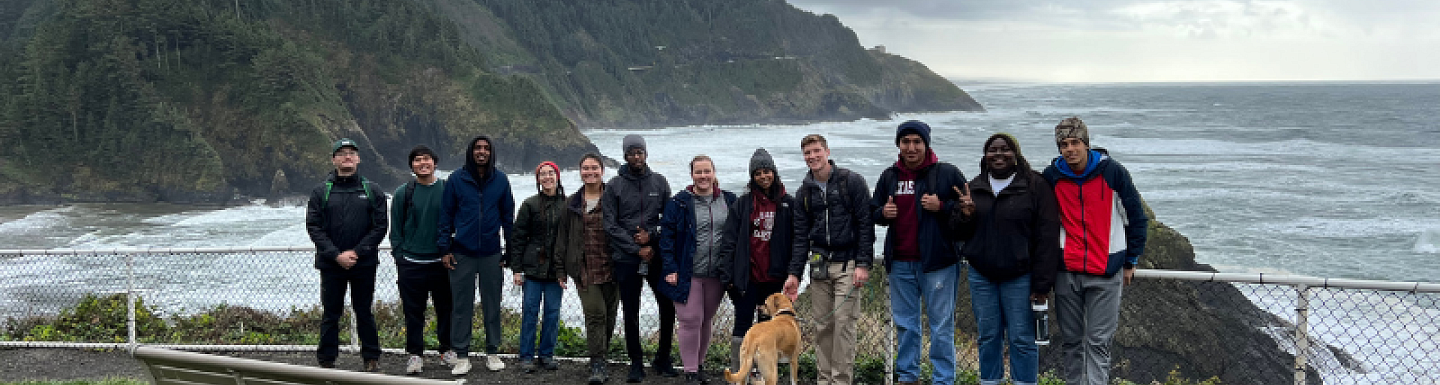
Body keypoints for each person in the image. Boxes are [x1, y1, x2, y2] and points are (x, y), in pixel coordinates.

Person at [1040, 117, 1148, 385]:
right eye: (1064, 144)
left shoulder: (1113, 172)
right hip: (1067, 272)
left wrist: (1131, 259)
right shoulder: (1051, 176)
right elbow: (1039, 221)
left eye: (1075, 142)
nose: (1070, 149)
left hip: (1107, 270)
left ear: (1086, 144)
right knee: (1072, 343)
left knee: (1099, 343)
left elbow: (1136, 216)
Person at [951, 134, 1061, 385]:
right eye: (992, 150)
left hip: (1020, 276)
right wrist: (965, 215)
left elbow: (1047, 236)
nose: (998, 154)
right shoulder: (975, 187)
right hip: (982, 276)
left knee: (1022, 338)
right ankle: (989, 381)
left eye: (1005, 149)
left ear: (1016, 154)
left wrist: (1042, 284)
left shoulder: (1035, 186)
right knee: (988, 337)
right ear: (985, 155)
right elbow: (957, 234)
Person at [870, 121, 967, 385]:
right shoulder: (889, 177)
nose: (911, 148)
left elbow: (968, 214)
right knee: (906, 326)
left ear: (926, 144)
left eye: (917, 142)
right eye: (906, 142)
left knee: (941, 327)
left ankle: (943, 380)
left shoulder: (947, 174)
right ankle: (908, 377)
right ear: (898, 145)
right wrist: (882, 214)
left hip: (938, 264)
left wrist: (943, 206)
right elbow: (873, 210)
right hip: (900, 263)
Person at [784, 134, 874, 385]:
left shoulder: (851, 182)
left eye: (816, 151)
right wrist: (794, 274)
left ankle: (841, 381)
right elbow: (801, 237)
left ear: (827, 151)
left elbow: (865, 224)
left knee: (843, 326)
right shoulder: (804, 192)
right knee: (822, 327)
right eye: (807, 153)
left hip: (848, 264)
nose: (812, 156)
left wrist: (863, 264)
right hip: (819, 267)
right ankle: (824, 380)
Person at [602, 134, 679, 382]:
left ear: (646, 154)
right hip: (627, 258)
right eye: (632, 152)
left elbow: (669, 219)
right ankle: (635, 362)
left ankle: (663, 358)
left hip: (656, 256)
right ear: (625, 156)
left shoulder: (659, 182)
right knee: (631, 311)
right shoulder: (614, 185)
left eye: (640, 152)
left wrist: (652, 236)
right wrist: (636, 248)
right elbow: (610, 226)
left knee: (667, 306)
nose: (636, 156)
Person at [305, 138, 387, 372]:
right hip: (331, 264)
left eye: (351, 153)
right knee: (331, 313)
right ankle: (326, 359)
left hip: (364, 263)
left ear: (358, 159)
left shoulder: (372, 191)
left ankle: (371, 357)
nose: (347, 157)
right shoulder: (321, 191)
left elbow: (380, 227)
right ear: (334, 160)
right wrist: (335, 254)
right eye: (341, 154)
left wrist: (357, 253)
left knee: (364, 311)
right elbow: (314, 227)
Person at [438, 135, 516, 375]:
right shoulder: (455, 180)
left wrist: (510, 250)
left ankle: (492, 352)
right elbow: (445, 216)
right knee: (461, 306)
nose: (482, 152)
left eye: (486, 148)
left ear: (492, 152)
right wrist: (445, 249)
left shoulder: (501, 180)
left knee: (492, 304)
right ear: (470, 151)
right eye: (477, 148)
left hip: (492, 253)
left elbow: (508, 217)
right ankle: (461, 355)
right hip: (462, 253)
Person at [716, 148, 795, 382]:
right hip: (747, 277)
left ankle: (760, 375)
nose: (763, 176)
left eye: (767, 171)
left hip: (774, 278)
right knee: (742, 324)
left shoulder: (787, 204)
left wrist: (793, 272)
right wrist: (727, 275)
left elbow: (796, 239)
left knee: (766, 329)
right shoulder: (742, 205)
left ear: (774, 172)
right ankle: (738, 373)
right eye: (758, 173)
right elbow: (728, 241)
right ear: (752, 177)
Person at [658, 155, 737, 385]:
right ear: (691, 175)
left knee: (706, 320)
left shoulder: (729, 200)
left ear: (714, 173)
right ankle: (690, 371)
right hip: (687, 272)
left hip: (717, 273)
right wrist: (670, 268)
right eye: (698, 172)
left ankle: (699, 366)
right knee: (690, 319)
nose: (703, 176)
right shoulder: (679, 203)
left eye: (707, 171)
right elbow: (667, 238)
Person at [389, 145, 457, 374]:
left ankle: (446, 350)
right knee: (413, 311)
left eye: (426, 159)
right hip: (411, 263)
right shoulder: (402, 192)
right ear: (412, 166)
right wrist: (400, 256)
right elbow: (395, 228)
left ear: (435, 162)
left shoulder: (448, 188)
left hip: (441, 262)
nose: (422, 163)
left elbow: (457, 222)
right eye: (417, 160)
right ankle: (415, 354)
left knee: (445, 309)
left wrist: (452, 250)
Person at [557, 154, 619, 385]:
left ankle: (602, 354)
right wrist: (560, 270)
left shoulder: (613, 199)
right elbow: (562, 238)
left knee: (610, 316)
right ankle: (597, 363)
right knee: (596, 314)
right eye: (585, 168)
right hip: (584, 269)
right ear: (580, 171)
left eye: (594, 168)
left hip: (613, 268)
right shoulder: (571, 203)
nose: (590, 172)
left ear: (602, 171)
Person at [512, 161, 570, 373]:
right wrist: (516, 269)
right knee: (530, 312)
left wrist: (568, 269)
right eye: (543, 174)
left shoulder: (568, 204)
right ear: (538, 179)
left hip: (556, 270)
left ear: (557, 176)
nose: (547, 177)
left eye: (551, 173)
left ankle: (546, 355)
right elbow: (517, 238)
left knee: (552, 314)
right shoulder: (530, 204)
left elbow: (572, 239)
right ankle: (526, 356)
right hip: (532, 268)